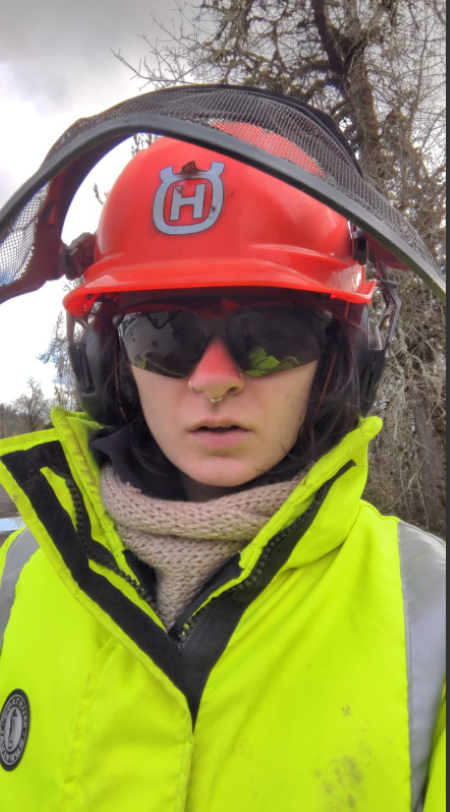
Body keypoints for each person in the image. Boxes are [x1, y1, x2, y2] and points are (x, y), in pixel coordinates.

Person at [0, 125, 445, 812]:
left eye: (270, 335)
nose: (214, 380)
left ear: (342, 357)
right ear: (108, 362)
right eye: (164, 334)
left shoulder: (432, 614)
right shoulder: (16, 579)